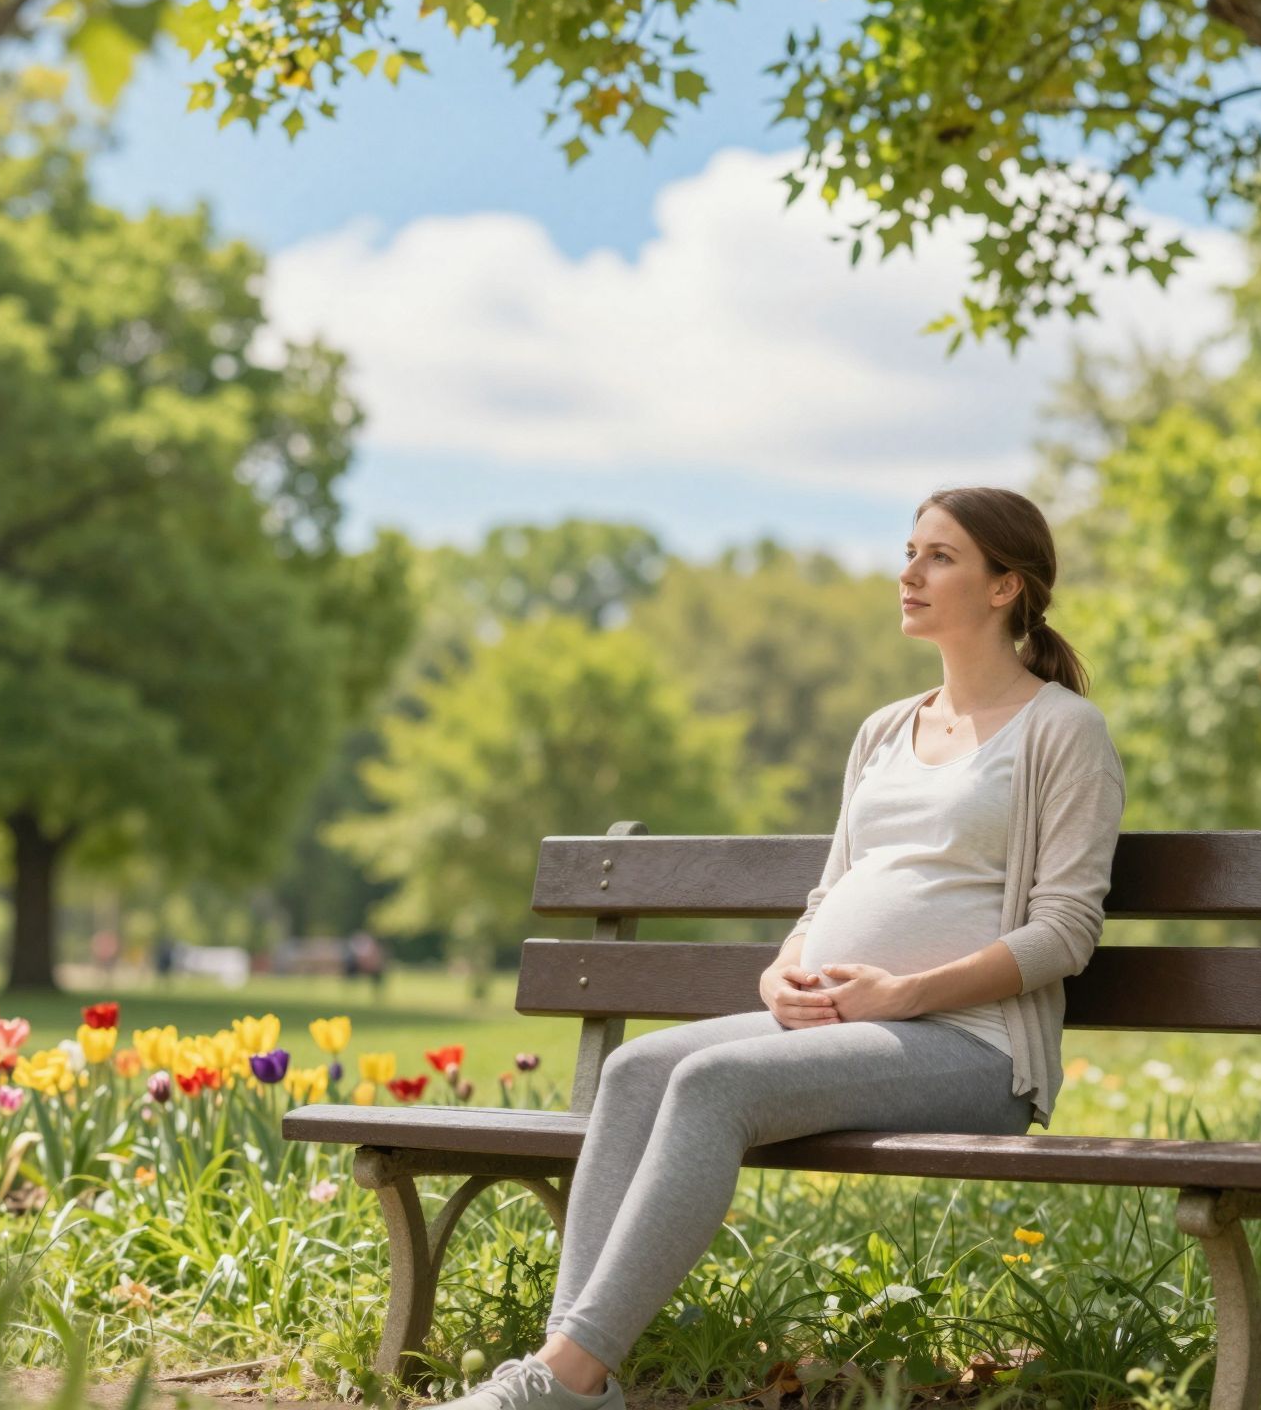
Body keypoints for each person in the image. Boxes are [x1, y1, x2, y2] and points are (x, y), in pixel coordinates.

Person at [441, 487, 1125, 1410]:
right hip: (838, 1024)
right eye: (909, 550)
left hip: (974, 1047)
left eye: (940, 557)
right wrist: (780, 970)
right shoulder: (885, 729)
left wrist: (907, 992)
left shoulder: (1064, 732)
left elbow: (1065, 932)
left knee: (711, 1082)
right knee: (638, 1072)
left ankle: (561, 1379)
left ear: (1006, 586)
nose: (908, 572)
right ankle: (573, 1373)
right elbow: (827, 893)